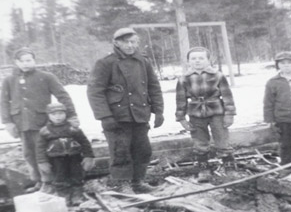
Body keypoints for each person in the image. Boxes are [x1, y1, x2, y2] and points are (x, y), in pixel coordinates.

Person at [87, 27, 164, 193]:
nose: (130, 46)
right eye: (126, 42)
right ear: (116, 43)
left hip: (140, 115)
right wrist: (105, 116)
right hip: (117, 118)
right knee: (120, 152)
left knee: (143, 150)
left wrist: (158, 111)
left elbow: (154, 87)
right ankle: (123, 184)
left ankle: (138, 182)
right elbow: (95, 91)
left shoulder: (143, 62)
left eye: (133, 42)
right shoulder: (105, 63)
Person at [1, 47, 79, 193]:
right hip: (21, 123)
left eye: (29, 60)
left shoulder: (46, 77)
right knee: (28, 153)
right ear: (16, 62)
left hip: (42, 123)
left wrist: (71, 115)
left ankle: (49, 182)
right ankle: (37, 180)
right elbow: (4, 101)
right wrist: (7, 122)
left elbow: (63, 96)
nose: (26, 64)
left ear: (34, 60)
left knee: (43, 152)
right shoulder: (9, 80)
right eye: (22, 61)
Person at [175, 46, 236, 182]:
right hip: (195, 114)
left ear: (208, 60)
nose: (197, 61)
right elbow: (180, 100)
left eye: (201, 58)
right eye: (193, 58)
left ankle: (230, 168)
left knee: (222, 140)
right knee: (200, 142)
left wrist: (229, 114)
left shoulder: (218, 76)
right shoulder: (184, 79)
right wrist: (181, 119)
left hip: (217, 112)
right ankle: (204, 169)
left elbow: (227, 96)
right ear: (188, 62)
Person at [36, 103, 95, 205]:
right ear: (48, 115)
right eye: (54, 114)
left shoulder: (73, 129)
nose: (58, 117)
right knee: (59, 178)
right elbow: (39, 148)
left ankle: (77, 196)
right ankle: (63, 197)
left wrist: (89, 156)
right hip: (56, 159)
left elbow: (84, 142)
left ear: (65, 114)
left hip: (74, 157)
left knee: (77, 176)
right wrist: (42, 161)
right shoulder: (45, 131)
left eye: (60, 113)